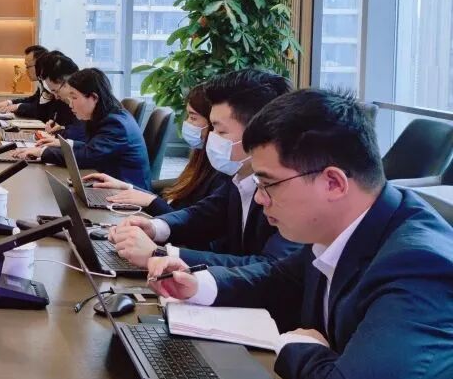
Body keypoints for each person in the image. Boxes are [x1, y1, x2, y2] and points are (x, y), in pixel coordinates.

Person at [146, 89, 453, 379]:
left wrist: (297, 345)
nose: (260, 199)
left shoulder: (420, 267)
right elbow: (280, 278)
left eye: (269, 184)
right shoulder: (346, 225)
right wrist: (197, 284)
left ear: (333, 183)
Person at [108, 69, 301, 269]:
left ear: (259, 133)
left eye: (220, 131)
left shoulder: (289, 191)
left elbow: (270, 268)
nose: (210, 137)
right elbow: (205, 214)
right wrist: (154, 227)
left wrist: (161, 254)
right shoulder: (238, 178)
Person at [82, 82, 230, 216]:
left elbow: (188, 224)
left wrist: (151, 201)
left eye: (193, 117)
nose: (186, 123)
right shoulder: (201, 156)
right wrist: (127, 187)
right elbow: (180, 193)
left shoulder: (222, 169)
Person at [16, 68, 152, 191]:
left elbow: (88, 156)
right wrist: (65, 144)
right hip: (107, 184)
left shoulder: (115, 124)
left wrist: (42, 152)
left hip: (129, 195)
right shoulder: (107, 115)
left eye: (74, 97)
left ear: (94, 97)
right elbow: (92, 148)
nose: (70, 104)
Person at [0, 45, 48, 115]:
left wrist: (17, 106)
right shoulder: (42, 81)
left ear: (40, 65)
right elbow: (32, 100)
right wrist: (9, 102)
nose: (26, 71)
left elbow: (42, 109)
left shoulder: (50, 84)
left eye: (27, 66)